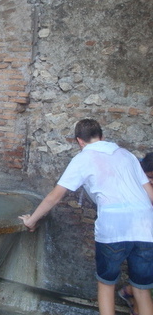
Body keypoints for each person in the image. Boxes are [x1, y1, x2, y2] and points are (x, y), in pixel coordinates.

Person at [20, 119, 153, 315]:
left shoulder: (83, 158)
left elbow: (55, 196)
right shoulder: (127, 155)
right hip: (145, 226)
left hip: (113, 227)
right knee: (142, 290)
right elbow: (150, 193)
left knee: (106, 285)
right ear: (102, 136)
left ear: (79, 141)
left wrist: (31, 220)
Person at [118, 152, 153, 315]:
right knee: (143, 288)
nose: (150, 182)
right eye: (149, 178)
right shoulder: (134, 176)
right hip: (141, 236)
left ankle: (130, 291)